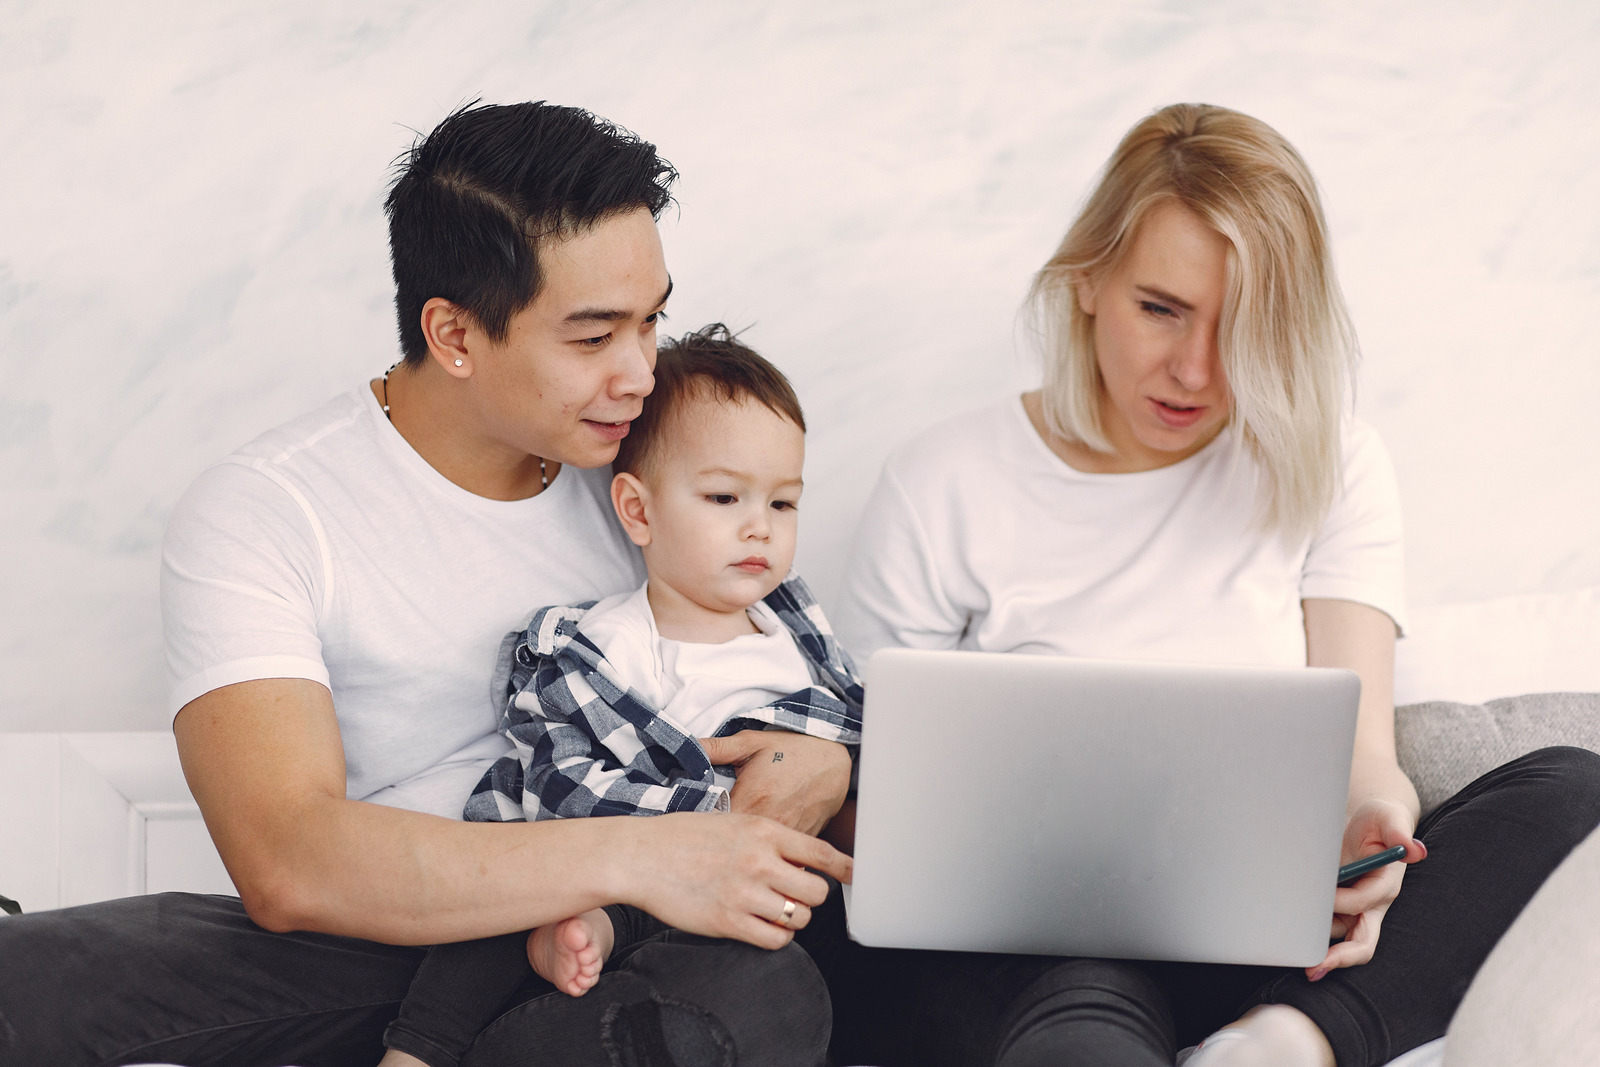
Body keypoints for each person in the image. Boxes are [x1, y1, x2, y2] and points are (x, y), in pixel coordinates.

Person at [0, 102, 853, 1067]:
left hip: (630, 944)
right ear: (452, 333)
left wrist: (828, 760)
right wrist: (643, 853)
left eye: (652, 320)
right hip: (378, 935)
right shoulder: (267, 508)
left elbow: (791, 684)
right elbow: (289, 858)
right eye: (592, 338)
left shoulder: (662, 468)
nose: (639, 372)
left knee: (754, 993)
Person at [826, 103, 1600, 1067]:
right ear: (1086, 280)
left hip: (1262, 946)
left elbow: (1366, 753)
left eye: (1244, 326)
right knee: (1069, 991)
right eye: (1161, 308)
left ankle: (1284, 1041)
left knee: (1575, 789)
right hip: (1033, 954)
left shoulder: (1334, 462)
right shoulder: (941, 478)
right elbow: (861, 785)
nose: (1195, 370)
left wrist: (1377, 829)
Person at [379, 326, 865, 1067]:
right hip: (642, 872)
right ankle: (421, 1046)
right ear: (638, 511)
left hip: (779, 890)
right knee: (522, 886)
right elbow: (565, 788)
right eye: (725, 495)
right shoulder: (610, 646)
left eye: (784, 502)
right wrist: (712, 819)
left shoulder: (794, 625)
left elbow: (854, 717)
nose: (758, 525)